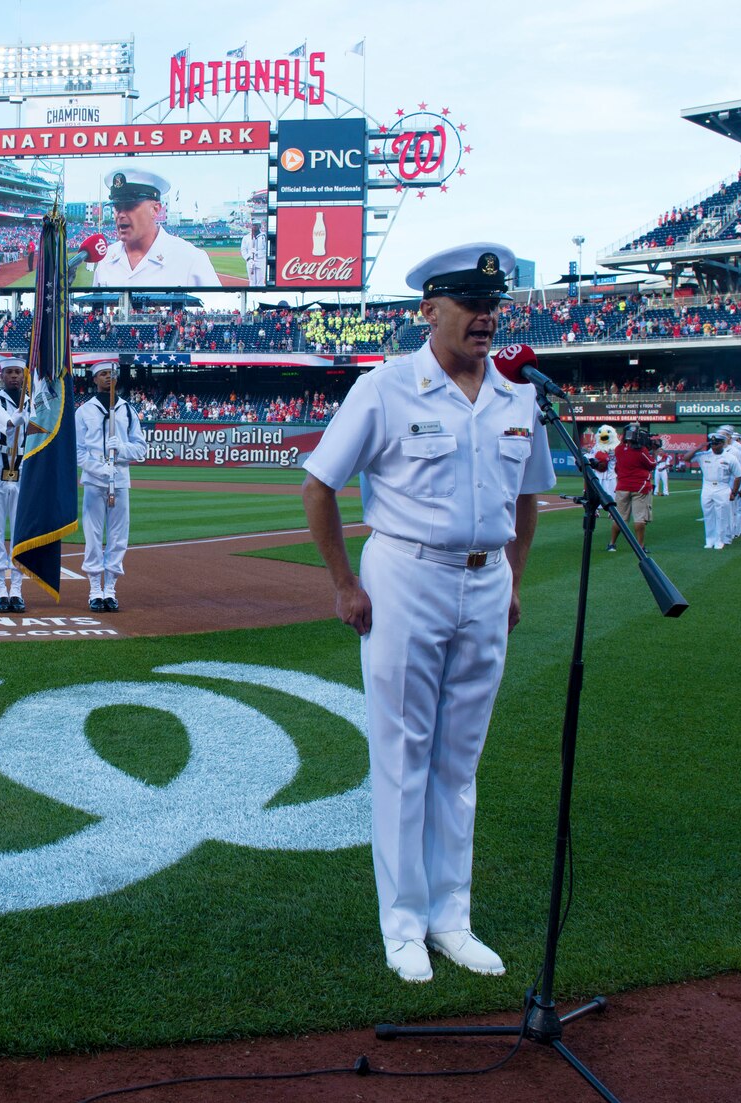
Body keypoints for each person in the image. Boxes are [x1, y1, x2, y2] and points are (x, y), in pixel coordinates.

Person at [302, 242, 556, 984]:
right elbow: (320, 484)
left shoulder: (517, 397)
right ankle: (404, 924)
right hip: (405, 577)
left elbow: (526, 499)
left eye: (493, 307)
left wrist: (512, 580)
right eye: (471, 307)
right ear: (429, 310)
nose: (485, 319)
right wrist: (344, 583)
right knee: (404, 757)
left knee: (459, 761)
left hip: (482, 586)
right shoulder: (386, 388)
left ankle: (453, 917)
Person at [75, 359, 148, 611]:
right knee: (93, 536)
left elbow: (141, 448)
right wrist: (98, 467)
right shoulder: (84, 411)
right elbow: (77, 451)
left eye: (112, 374)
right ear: (94, 379)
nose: (108, 378)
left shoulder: (128, 409)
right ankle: (95, 589)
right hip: (95, 481)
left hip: (120, 478)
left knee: (118, 537)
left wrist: (123, 448)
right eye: (103, 374)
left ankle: (110, 589)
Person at [92, 168, 221, 288]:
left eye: (130, 206)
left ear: (155, 209)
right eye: (117, 207)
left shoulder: (191, 259)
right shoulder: (105, 259)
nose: (121, 214)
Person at [0, 357, 29, 612]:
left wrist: (28, 415)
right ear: (1, 376)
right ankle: (0, 587)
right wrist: (16, 418)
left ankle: (18, 589)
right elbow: (3, 424)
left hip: (24, 466)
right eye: (9, 372)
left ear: (24, 376)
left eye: (17, 372)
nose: (13, 376)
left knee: (20, 530)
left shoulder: (34, 402)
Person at [685, 432, 741, 549]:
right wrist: (698, 447)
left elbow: (739, 475)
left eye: (716, 444)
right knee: (708, 515)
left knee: (721, 515)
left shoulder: (730, 458)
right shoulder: (704, 455)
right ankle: (710, 540)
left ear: (722, 444)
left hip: (722, 487)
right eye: (712, 444)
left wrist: (734, 492)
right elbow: (686, 458)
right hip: (707, 487)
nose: (713, 446)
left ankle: (720, 540)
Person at [606, 421, 657, 552]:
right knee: (640, 517)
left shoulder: (618, 449)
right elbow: (652, 464)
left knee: (620, 518)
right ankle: (640, 546)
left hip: (622, 486)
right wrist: (654, 450)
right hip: (640, 487)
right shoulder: (642, 451)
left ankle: (611, 544)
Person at [240, 220, 268, 286]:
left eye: (256, 225)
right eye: (253, 225)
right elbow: (243, 250)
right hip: (250, 261)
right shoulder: (246, 237)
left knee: (261, 281)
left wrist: (259, 253)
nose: (254, 227)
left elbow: (268, 249)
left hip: (261, 260)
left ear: (259, 226)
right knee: (252, 281)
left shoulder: (264, 236)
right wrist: (248, 258)